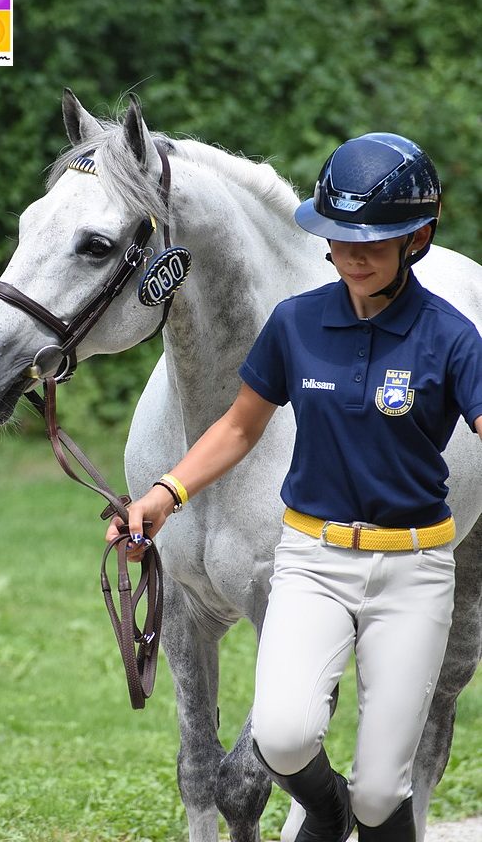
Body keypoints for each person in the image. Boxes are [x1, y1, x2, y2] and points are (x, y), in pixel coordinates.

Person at [106, 132, 482, 841]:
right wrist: (162, 495)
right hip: (312, 562)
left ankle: (363, 811)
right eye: (338, 237)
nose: (352, 253)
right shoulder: (295, 323)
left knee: (381, 790)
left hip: (412, 567)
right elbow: (239, 428)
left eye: (375, 238)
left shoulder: (451, 335)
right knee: (280, 741)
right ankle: (330, 811)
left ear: (419, 238)